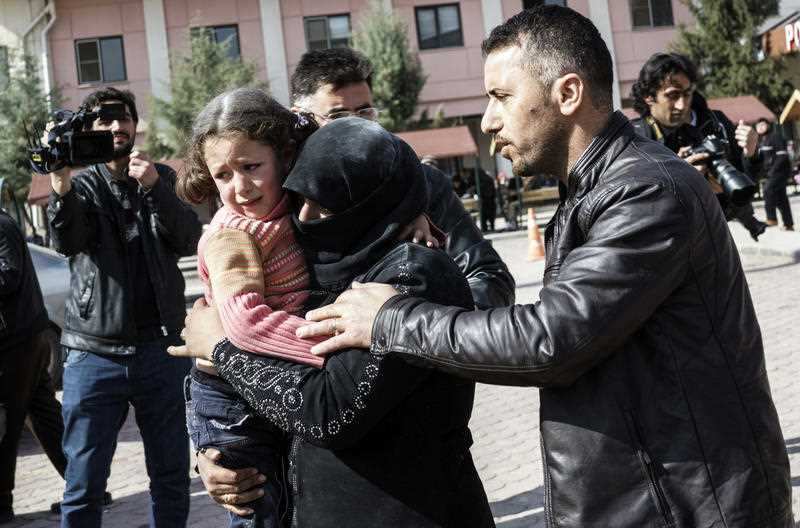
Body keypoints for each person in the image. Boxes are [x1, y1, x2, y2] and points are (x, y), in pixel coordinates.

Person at [251, 6, 789, 527]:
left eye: (501, 97)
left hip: (686, 507)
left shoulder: (645, 190)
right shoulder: (596, 189)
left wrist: (391, 318)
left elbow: (552, 338)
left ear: (568, 93)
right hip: (648, 498)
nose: (488, 120)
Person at [170, 117, 495, 527]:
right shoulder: (331, 261)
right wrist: (218, 452)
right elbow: (273, 374)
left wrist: (221, 348)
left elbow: (328, 413)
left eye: (324, 204)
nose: (305, 218)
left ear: (368, 204)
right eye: (298, 199)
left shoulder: (410, 275)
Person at [47, 87, 202, 527]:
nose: (117, 127)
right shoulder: (82, 184)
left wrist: (154, 187)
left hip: (161, 351)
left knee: (171, 475)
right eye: (105, 119)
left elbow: (190, 238)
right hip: (93, 354)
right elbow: (66, 241)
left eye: (124, 118)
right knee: (84, 483)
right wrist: (60, 184)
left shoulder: (161, 177)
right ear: (90, 129)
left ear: (136, 124)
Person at [177, 88, 332, 528]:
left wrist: (416, 213)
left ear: (283, 155)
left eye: (250, 168)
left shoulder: (293, 207)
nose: (240, 187)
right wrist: (329, 354)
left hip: (263, 377)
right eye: (223, 175)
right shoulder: (234, 235)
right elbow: (246, 326)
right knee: (261, 510)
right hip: (231, 396)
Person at [288, 47, 514, 309]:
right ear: (300, 119)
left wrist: (416, 320)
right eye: (338, 117)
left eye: (364, 114)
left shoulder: (422, 185)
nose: (357, 127)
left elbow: (490, 278)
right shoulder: (269, 196)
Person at [629, 52, 769, 241]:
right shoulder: (635, 139)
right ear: (649, 96)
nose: (682, 104)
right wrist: (677, 180)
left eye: (687, 93)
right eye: (672, 95)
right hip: (664, 251)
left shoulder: (717, 123)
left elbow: (743, 193)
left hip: (714, 241)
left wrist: (751, 154)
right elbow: (633, 213)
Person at [0, 210, 60, 524]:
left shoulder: (0, 224)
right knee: (45, 417)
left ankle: (2, 504)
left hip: (16, 340)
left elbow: (8, 273)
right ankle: (85, 485)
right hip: (21, 335)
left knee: (6, 422)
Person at [754, 117, 794, 231]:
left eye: (763, 125)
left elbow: (782, 156)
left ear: (768, 125)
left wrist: (772, 171)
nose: (760, 127)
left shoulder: (775, 137)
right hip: (771, 173)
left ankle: (771, 219)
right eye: (758, 126)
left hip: (780, 171)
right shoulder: (762, 140)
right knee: (781, 198)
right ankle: (789, 224)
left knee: (767, 190)